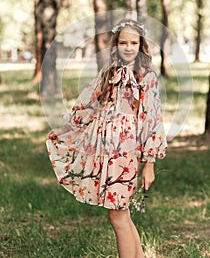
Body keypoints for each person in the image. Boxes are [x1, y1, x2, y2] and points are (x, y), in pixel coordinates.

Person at [46, 19, 167, 258]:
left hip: (125, 153)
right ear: (116, 44)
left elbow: (152, 119)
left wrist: (150, 162)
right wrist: (68, 126)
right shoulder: (108, 73)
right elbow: (90, 104)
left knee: (116, 215)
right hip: (105, 152)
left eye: (134, 42)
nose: (128, 47)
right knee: (122, 213)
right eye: (123, 42)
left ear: (141, 45)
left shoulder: (146, 77)